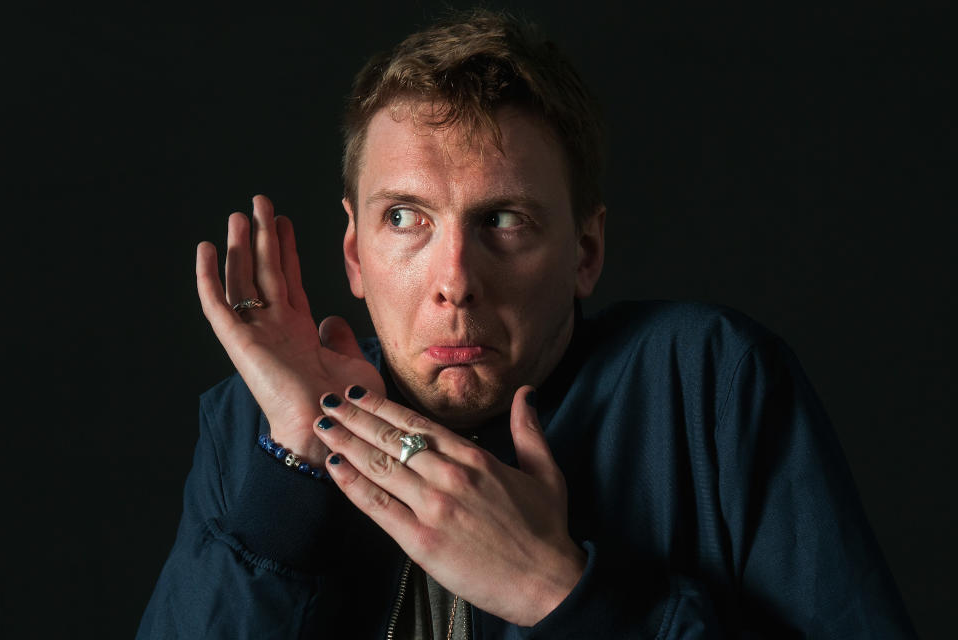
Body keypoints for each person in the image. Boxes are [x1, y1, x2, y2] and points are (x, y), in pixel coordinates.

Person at [137, 10, 916, 639]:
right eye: (405, 217)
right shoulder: (255, 427)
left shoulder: (710, 382)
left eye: (504, 220)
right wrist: (296, 469)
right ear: (355, 254)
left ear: (585, 250)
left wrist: (560, 592)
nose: (455, 284)